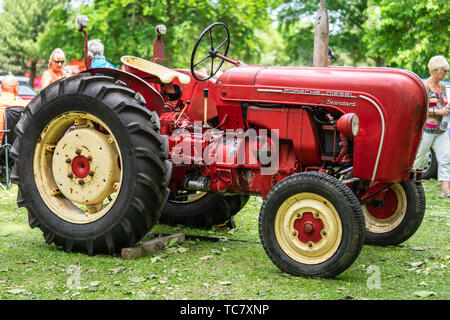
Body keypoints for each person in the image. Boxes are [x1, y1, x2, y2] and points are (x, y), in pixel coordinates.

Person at [413, 55, 450, 197]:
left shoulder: (443, 87)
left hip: (441, 129)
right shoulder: (424, 87)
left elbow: (444, 104)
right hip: (427, 130)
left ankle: (446, 191)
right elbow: (420, 108)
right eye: (444, 71)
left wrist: (446, 110)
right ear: (435, 70)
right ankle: (410, 188)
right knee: (419, 158)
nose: (445, 74)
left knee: (446, 158)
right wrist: (437, 111)